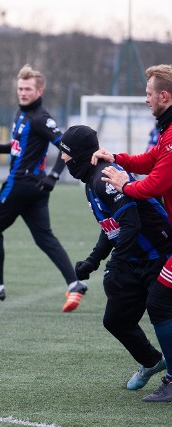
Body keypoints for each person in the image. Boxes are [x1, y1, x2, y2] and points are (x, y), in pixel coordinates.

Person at [59, 124, 170, 395]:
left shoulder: (105, 177)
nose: (62, 159)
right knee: (116, 320)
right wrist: (93, 260)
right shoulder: (90, 181)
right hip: (134, 260)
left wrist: (114, 265)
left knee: (162, 312)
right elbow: (112, 227)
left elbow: (130, 224)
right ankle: (152, 361)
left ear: (81, 154)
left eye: (66, 153)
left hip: (158, 256)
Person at [0, 64, 87, 312]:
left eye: (28, 89)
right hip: (34, 187)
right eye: (20, 88)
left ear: (39, 90)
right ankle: (75, 284)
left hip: (21, 184)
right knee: (44, 237)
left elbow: (68, 146)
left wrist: (54, 176)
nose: (23, 93)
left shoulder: (41, 118)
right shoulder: (22, 114)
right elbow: (20, 146)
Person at [93, 64, 172, 402]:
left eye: (149, 94)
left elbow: (158, 182)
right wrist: (118, 158)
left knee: (159, 300)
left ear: (164, 96)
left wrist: (126, 184)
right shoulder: (167, 133)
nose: (146, 100)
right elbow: (150, 159)